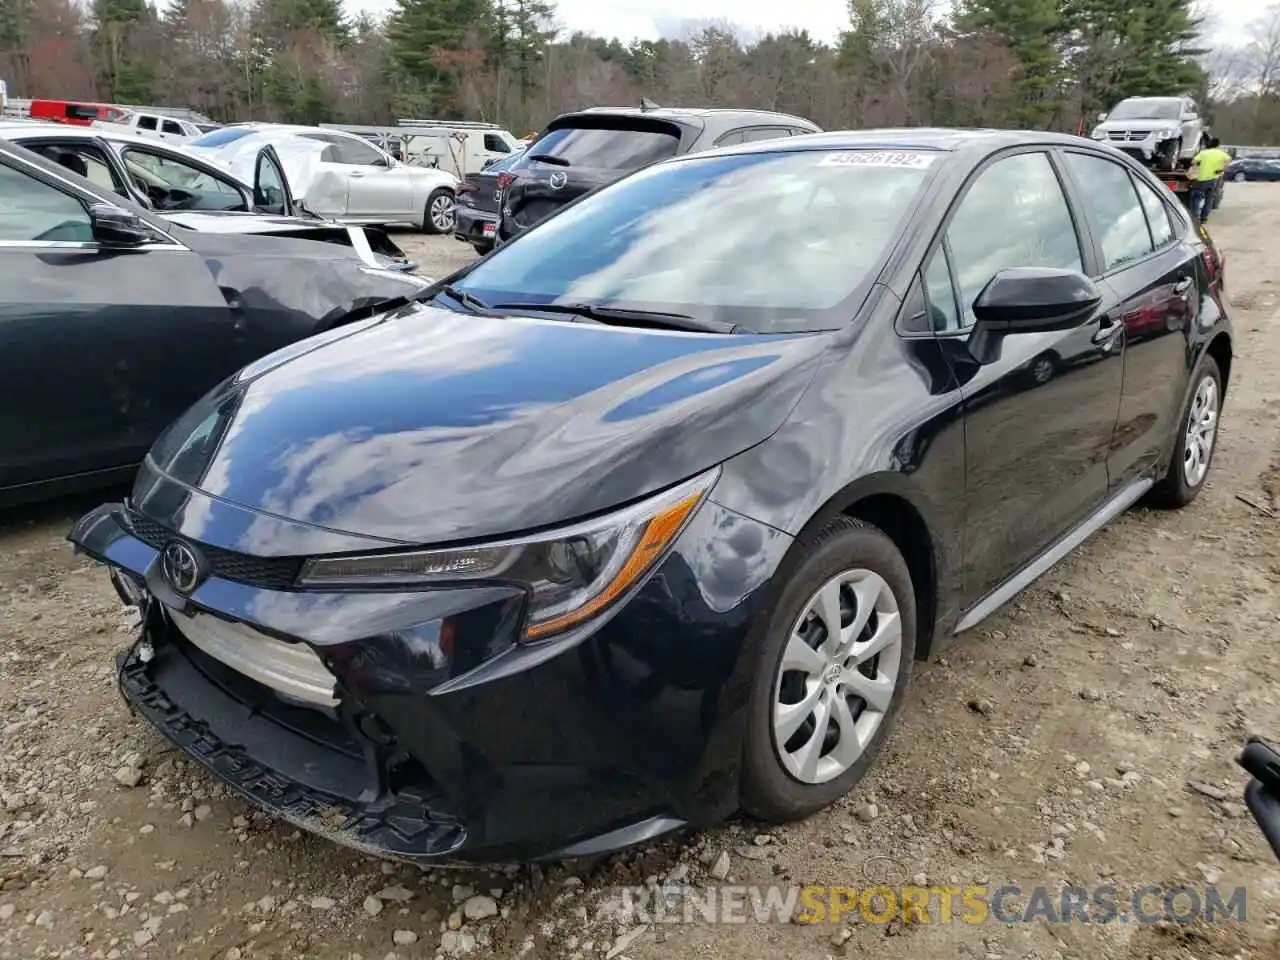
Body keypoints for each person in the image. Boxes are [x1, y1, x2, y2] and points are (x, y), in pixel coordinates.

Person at [1188, 136, 1232, 224]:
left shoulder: (1204, 153)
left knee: (1196, 198)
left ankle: (1195, 217)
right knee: (1209, 200)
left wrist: (1198, 164)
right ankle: (1204, 218)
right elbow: (1229, 160)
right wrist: (1222, 169)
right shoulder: (1221, 154)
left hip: (1201, 179)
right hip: (1213, 179)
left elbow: (1193, 162)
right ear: (1218, 145)